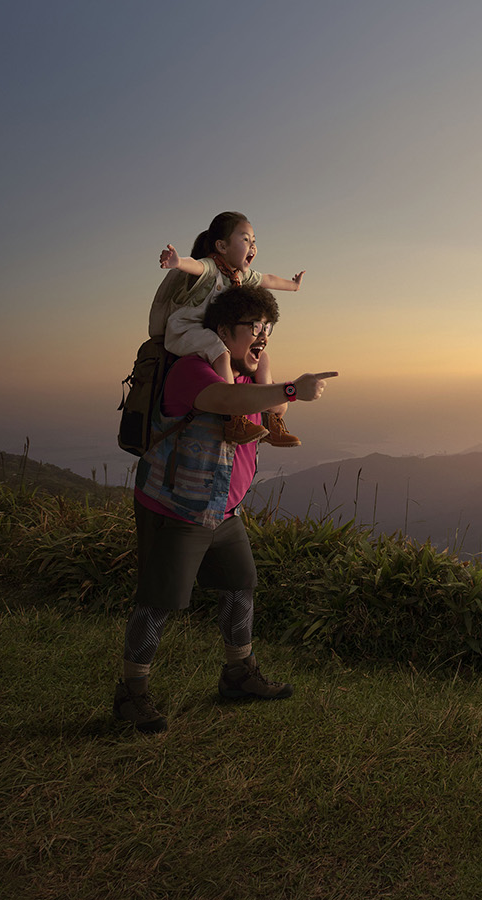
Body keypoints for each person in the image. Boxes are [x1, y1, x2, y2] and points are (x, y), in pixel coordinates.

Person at [114, 285, 336, 734]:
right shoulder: (192, 373)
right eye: (252, 327)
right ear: (220, 331)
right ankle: (130, 694)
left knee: (240, 588)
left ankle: (238, 675)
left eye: (267, 328)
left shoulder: (245, 377)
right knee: (158, 603)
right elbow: (230, 403)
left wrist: (277, 382)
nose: (261, 336)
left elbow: (266, 401)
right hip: (176, 509)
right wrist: (294, 387)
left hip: (224, 512)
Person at [151, 211, 307, 446]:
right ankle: (233, 420)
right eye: (246, 239)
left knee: (263, 359)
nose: (252, 245)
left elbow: (268, 279)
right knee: (220, 352)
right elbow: (196, 266)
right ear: (222, 246)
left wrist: (293, 286)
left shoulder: (241, 275)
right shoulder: (212, 268)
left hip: (211, 330)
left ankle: (272, 423)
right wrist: (178, 262)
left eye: (254, 241)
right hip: (187, 330)